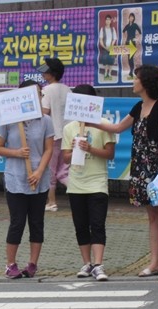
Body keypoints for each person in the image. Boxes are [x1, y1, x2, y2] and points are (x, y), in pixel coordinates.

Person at [90, 65, 158, 277]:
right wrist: (92, 121)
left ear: (145, 82)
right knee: (152, 216)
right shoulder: (138, 106)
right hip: (142, 168)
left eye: (136, 78)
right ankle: (155, 263)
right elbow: (117, 128)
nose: (133, 81)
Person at [0, 80, 54, 279]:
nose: (38, 98)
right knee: (17, 222)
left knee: (37, 222)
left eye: (40, 94)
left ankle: (33, 263)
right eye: (34, 94)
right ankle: (10, 264)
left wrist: (39, 172)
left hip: (39, 178)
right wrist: (17, 152)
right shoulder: (8, 120)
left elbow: (49, 149)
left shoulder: (45, 120)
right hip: (15, 178)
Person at [62, 84, 117, 281]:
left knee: (97, 223)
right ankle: (86, 263)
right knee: (81, 225)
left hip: (97, 182)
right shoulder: (69, 128)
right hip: (76, 184)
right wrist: (75, 149)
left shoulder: (104, 124)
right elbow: (65, 158)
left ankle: (98, 264)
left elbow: (110, 154)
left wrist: (90, 148)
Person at [38, 57, 70, 212]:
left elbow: (45, 112)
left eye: (46, 71)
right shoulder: (67, 89)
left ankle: (51, 201)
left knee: (50, 170)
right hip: (68, 134)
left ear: (52, 73)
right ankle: (81, 193)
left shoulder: (46, 90)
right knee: (64, 171)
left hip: (53, 135)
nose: (43, 74)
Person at [99, 15, 118, 81]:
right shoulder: (102, 29)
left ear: (110, 21)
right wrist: (105, 47)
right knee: (106, 61)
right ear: (105, 21)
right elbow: (101, 39)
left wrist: (111, 46)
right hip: (104, 48)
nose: (108, 21)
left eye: (109, 19)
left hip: (111, 48)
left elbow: (114, 38)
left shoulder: (113, 29)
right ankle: (105, 73)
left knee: (111, 61)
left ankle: (109, 74)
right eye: (107, 19)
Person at [123, 12, 142, 80]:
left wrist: (137, 39)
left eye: (132, 17)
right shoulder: (127, 26)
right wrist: (125, 38)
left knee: (131, 57)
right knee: (129, 57)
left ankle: (131, 71)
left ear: (134, 18)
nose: (131, 18)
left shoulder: (135, 25)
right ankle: (131, 71)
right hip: (127, 43)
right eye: (130, 17)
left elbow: (140, 32)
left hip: (133, 43)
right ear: (129, 18)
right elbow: (123, 31)